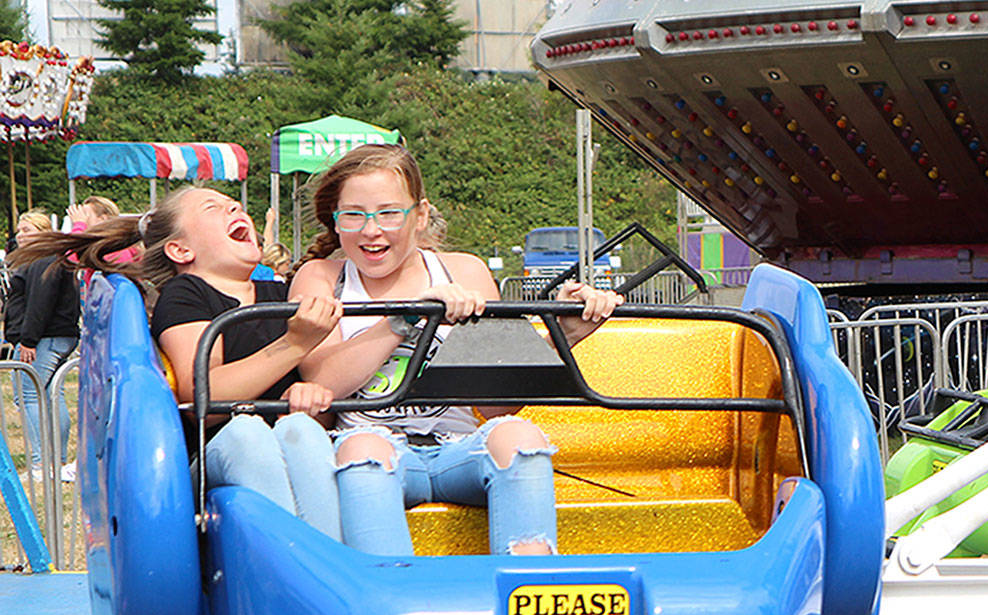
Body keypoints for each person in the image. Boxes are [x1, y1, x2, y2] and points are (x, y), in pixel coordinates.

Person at [289, 144, 623, 557]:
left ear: (420, 215)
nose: (371, 230)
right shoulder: (321, 277)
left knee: (520, 438)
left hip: (457, 446)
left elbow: (498, 406)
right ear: (337, 222)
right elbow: (322, 382)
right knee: (365, 453)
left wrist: (563, 338)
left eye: (389, 213)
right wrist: (407, 318)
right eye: (354, 215)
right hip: (370, 439)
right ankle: (389, 592)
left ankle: (530, 589)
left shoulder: (464, 271)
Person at [11, 188, 345, 538]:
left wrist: (313, 399)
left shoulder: (281, 296)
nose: (235, 208)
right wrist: (294, 343)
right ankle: (289, 565)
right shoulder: (186, 295)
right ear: (181, 250)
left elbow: (320, 408)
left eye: (235, 204)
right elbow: (207, 396)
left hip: (283, 443)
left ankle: (329, 559)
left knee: (305, 431)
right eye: (213, 208)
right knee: (247, 433)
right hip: (217, 452)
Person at [3, 209, 78, 478]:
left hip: (44, 337)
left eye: (28, 230)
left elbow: (39, 303)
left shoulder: (44, 260)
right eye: (20, 231)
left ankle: (40, 465)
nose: (21, 236)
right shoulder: (46, 259)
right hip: (53, 335)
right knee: (50, 394)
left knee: (29, 395)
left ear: (44, 232)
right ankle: (56, 463)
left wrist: (28, 340)